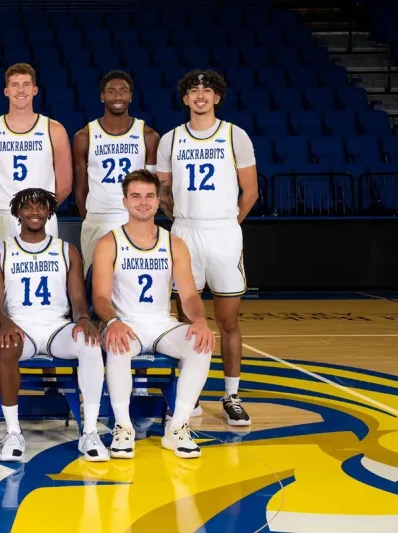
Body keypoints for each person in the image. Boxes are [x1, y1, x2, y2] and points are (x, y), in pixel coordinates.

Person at [156, 69, 258, 426]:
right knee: (187, 320)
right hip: (185, 232)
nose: (200, 95)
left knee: (227, 321)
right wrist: (181, 221)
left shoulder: (234, 135)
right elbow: (163, 192)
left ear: (217, 97)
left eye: (207, 90)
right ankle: (191, 394)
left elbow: (250, 192)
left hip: (224, 232)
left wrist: (229, 223)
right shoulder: (170, 139)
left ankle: (232, 394)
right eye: (194, 90)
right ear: (185, 98)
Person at [91, 169, 215, 459]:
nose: (143, 202)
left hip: (161, 324)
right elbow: (100, 297)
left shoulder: (174, 244)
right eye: (136, 196)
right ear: (125, 201)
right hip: (125, 324)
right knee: (119, 346)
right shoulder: (109, 242)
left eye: (149, 196)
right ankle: (123, 428)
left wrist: (200, 320)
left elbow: (189, 296)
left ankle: (178, 426)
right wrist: (112, 322)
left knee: (201, 344)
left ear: (159, 201)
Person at [0, 188, 105, 462]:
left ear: (50, 212)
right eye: (28, 207)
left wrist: (84, 319)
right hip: (20, 326)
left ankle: (90, 432)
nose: (35, 212)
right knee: (7, 348)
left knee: (90, 344)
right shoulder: (0, 252)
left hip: (56, 327)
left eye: (41, 207)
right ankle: (13, 432)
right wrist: (5, 323)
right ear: (17, 212)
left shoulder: (66, 250)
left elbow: (78, 299)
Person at [0, 62, 72, 255]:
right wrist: (2, 205)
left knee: (43, 271)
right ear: (6, 91)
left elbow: (65, 185)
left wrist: (40, 210)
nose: (21, 90)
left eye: (26, 84)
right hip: (1, 216)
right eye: (15, 85)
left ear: (35, 90)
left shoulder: (54, 130)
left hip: (41, 218)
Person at [74, 70, 161, 274]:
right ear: (102, 96)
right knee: (94, 282)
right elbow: (80, 188)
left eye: (123, 91)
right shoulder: (84, 136)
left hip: (133, 218)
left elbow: (152, 187)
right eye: (111, 91)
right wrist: (92, 215)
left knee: (130, 282)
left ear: (130, 96)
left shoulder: (148, 136)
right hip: (97, 219)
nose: (118, 96)